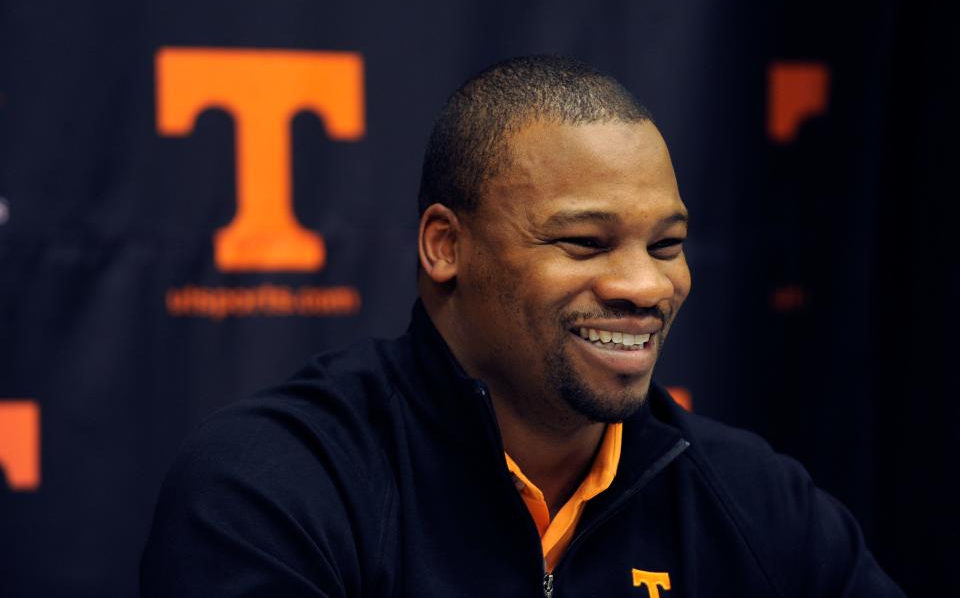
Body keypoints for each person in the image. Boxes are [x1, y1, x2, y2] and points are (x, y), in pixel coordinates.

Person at [141, 56, 904, 597]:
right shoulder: (273, 486)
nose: (645, 284)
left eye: (666, 244)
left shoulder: (760, 503)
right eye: (584, 242)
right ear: (447, 246)